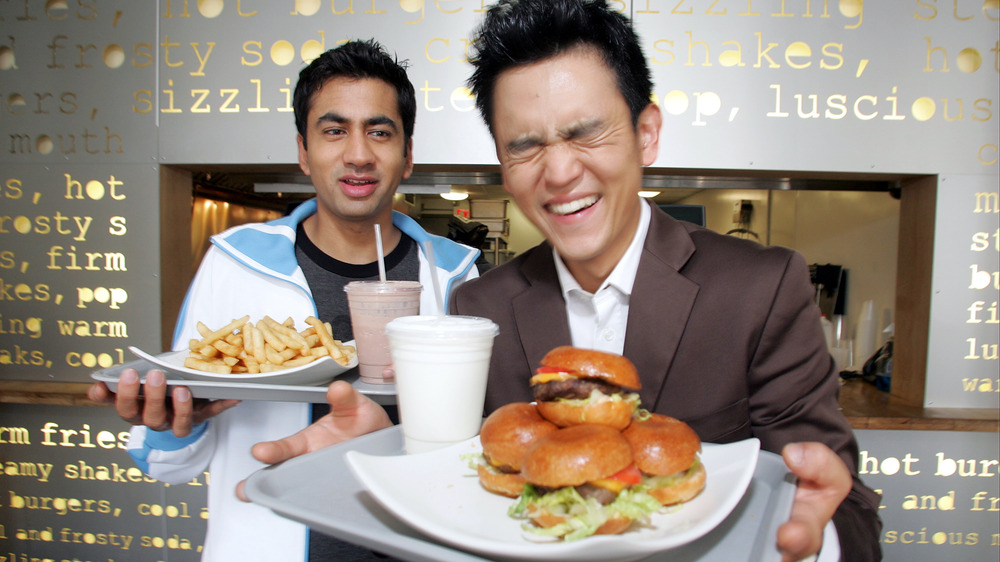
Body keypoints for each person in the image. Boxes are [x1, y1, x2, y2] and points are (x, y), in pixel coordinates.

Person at [250, 1, 882, 560]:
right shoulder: (479, 307)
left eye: (586, 133)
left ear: (646, 132)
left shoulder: (759, 288)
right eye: (525, 145)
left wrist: (816, 540)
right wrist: (395, 451)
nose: (558, 172)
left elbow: (845, 507)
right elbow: (467, 489)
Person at [87, 39, 480, 561]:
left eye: (379, 132)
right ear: (303, 152)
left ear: (407, 156)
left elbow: (483, 458)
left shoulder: (459, 277)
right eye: (334, 130)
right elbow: (167, 465)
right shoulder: (233, 264)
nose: (358, 153)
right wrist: (173, 427)